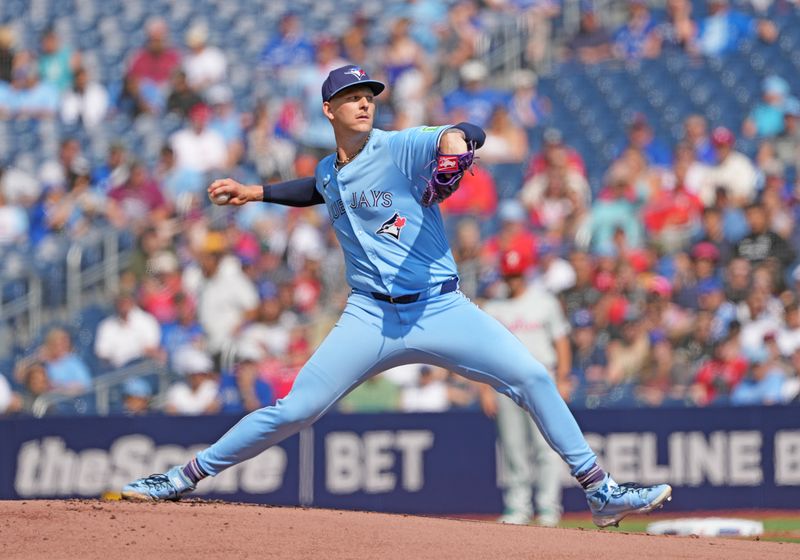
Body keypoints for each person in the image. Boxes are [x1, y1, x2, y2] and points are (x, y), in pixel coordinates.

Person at [122, 64, 671, 528]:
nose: (363, 105)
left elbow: (461, 132)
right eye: (350, 98)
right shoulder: (329, 170)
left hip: (440, 307)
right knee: (296, 409)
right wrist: (256, 193)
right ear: (328, 111)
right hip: (369, 317)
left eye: (368, 97)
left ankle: (600, 491)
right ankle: (181, 477)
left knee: (533, 377)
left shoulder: (399, 146)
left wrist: (456, 148)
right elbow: (317, 187)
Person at [479, 249, 571, 527]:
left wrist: (564, 379)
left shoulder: (544, 302)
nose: (514, 281)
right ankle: (517, 507)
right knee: (513, 448)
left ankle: (548, 509)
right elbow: (484, 352)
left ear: (526, 274)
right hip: (505, 381)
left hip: (541, 378)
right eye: (510, 276)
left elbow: (561, 342)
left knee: (546, 447)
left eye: (518, 275)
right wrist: (484, 389)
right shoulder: (493, 308)